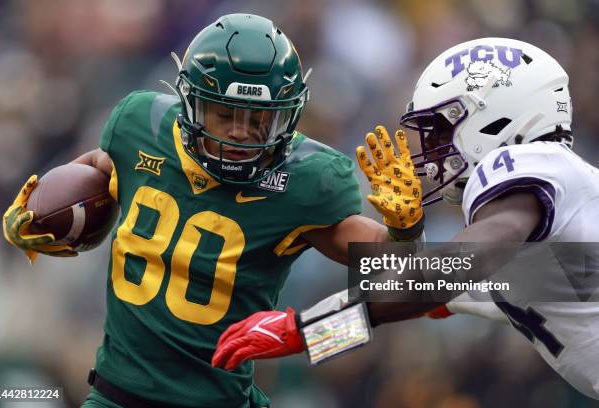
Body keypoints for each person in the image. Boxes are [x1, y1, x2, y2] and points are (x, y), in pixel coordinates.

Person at [2, 14, 425, 407]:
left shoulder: (306, 181)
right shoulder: (141, 126)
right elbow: (103, 163)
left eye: (258, 119)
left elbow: (417, 285)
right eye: (224, 115)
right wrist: (40, 203)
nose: (240, 133)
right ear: (189, 104)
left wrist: (406, 230)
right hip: (118, 394)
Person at [212, 37, 599, 400]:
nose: (430, 149)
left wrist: (297, 329)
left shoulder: (530, 161)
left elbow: (457, 267)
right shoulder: (534, 251)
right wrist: (310, 337)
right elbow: (409, 298)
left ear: (496, 120)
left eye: (441, 129)